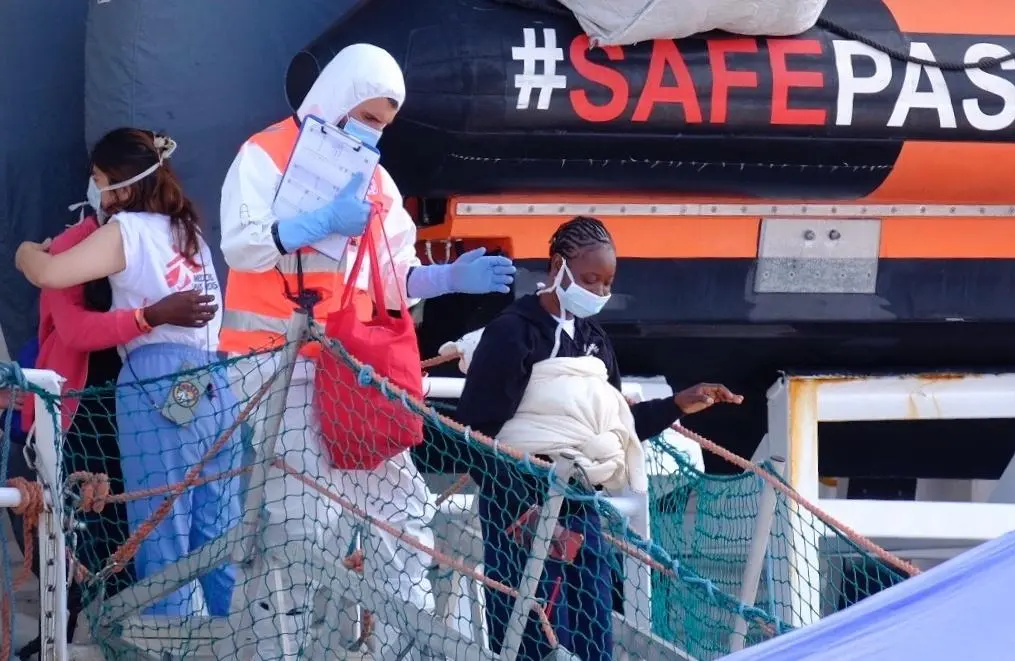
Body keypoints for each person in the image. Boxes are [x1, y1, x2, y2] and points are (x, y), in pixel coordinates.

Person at [218, 42, 515, 658]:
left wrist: (444, 278)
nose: (374, 131)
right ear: (341, 95)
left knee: (400, 509)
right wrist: (309, 222)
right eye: (370, 115)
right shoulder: (265, 155)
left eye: (383, 123)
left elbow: (393, 274)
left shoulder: (376, 181)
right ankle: (287, 648)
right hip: (276, 367)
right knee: (302, 519)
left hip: (352, 374)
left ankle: (409, 644)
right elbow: (243, 245)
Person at [455, 216, 743, 661]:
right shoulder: (514, 333)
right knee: (531, 634)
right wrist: (525, 508)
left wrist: (677, 404)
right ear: (557, 267)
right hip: (521, 503)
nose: (600, 292)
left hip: (581, 503)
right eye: (590, 280)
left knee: (592, 630)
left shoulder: (595, 340)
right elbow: (476, 432)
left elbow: (614, 429)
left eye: (607, 283)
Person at [15, 127, 240, 618]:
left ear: (119, 184)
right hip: (214, 383)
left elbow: (50, 274)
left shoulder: (128, 230)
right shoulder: (190, 233)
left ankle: (171, 643)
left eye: (99, 179)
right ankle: (235, 639)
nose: (96, 189)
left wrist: (25, 251)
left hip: (157, 381)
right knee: (217, 530)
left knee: (161, 527)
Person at [10, 206, 217, 653]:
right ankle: (64, 636)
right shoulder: (78, 248)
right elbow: (71, 325)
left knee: (155, 523)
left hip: (147, 397)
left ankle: (146, 635)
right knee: (71, 525)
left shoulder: (165, 238)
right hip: (78, 407)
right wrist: (150, 316)